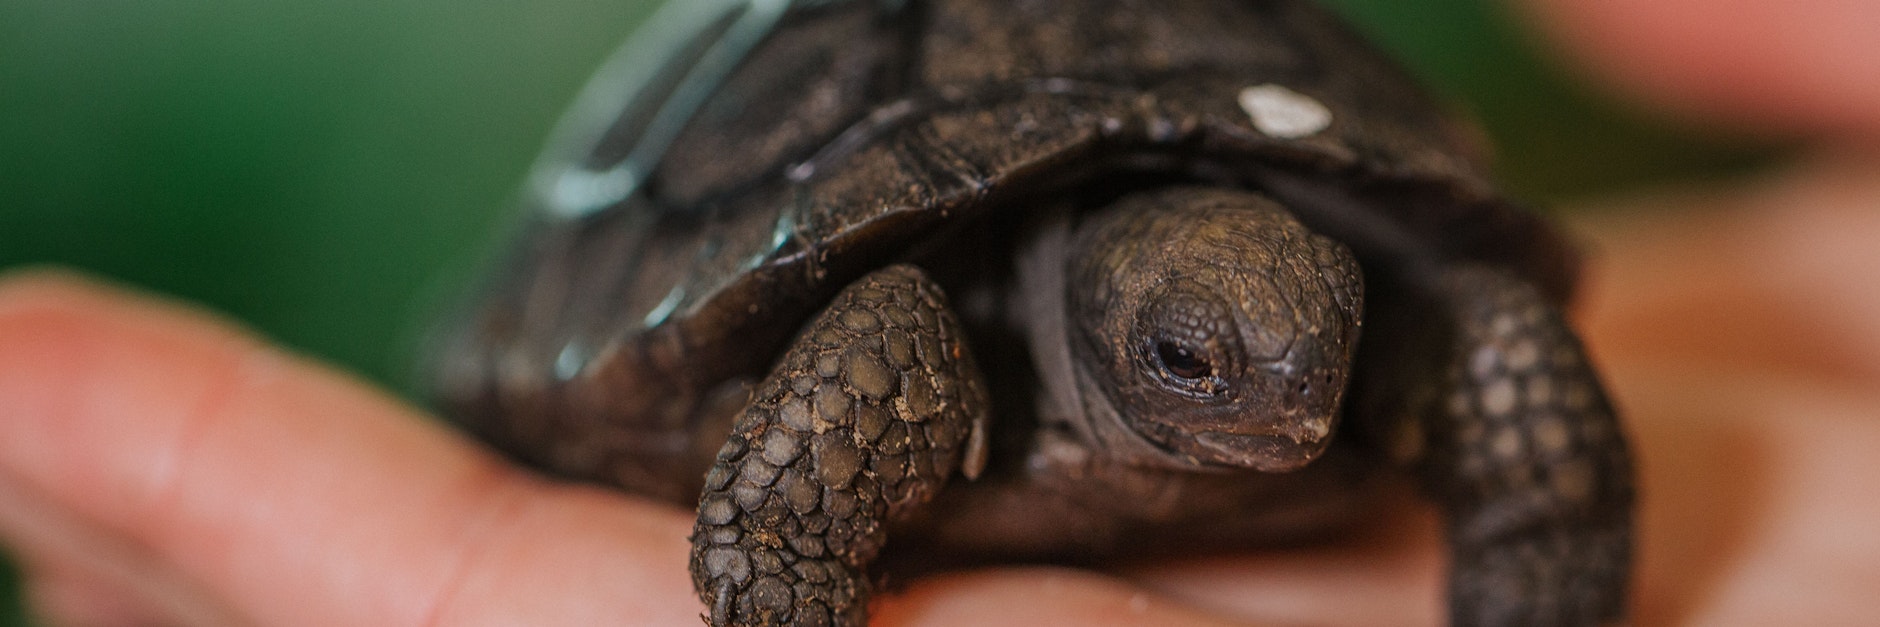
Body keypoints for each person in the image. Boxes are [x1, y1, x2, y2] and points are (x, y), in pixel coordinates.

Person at [2, 0, 1876, 624]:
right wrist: (783, 561)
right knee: (885, 344)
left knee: (1490, 335)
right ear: (1107, 332)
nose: (1289, 403)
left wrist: (1545, 562)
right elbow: (861, 366)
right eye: (1195, 367)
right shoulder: (912, 327)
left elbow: (1487, 331)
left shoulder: (1372, 328)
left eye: (1318, 347)